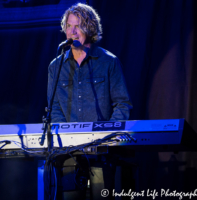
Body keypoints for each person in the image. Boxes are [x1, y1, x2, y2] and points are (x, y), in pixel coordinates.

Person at [46, 3, 133, 200]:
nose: (73, 31)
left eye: (79, 26)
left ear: (90, 28)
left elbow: (122, 104)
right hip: (68, 152)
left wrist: (107, 136)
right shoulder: (56, 66)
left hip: (101, 153)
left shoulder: (108, 61)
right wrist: (66, 138)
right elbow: (55, 108)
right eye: (69, 26)